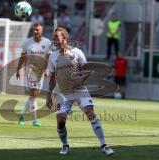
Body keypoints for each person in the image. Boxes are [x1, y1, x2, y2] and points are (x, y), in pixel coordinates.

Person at [46, 27, 114, 155]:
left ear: (64, 39)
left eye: (56, 37)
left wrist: (79, 81)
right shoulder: (52, 56)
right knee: (60, 120)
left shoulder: (77, 52)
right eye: (54, 37)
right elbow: (52, 78)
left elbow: (87, 71)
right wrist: (48, 96)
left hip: (79, 90)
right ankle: (65, 146)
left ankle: (104, 145)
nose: (54, 39)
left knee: (90, 112)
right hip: (62, 92)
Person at [16, 23, 51, 127]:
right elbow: (22, 56)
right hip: (30, 70)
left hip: (40, 71)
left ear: (42, 31)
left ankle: (21, 115)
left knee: (34, 96)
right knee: (33, 95)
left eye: (37, 30)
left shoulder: (47, 42)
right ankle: (35, 120)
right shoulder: (27, 42)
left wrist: (47, 69)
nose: (35, 31)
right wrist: (18, 69)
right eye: (34, 30)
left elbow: (48, 57)